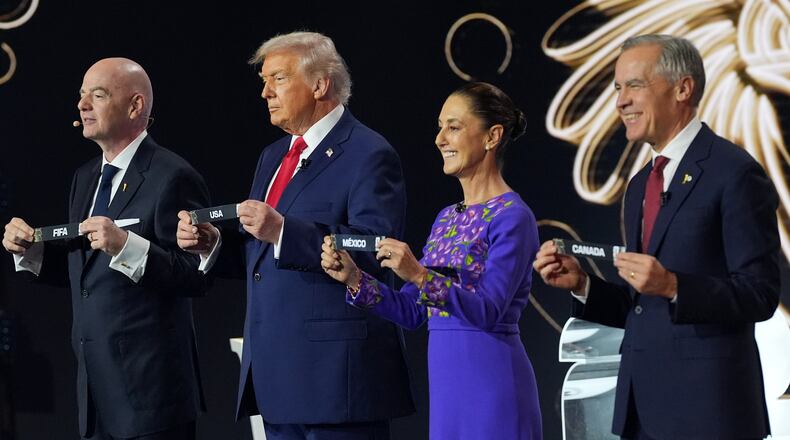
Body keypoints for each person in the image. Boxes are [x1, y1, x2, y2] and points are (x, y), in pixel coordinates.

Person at [533, 34, 779, 440]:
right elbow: (642, 308)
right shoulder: (639, 186)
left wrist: (674, 286)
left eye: (635, 85)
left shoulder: (734, 173)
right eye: (617, 88)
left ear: (683, 88)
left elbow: (761, 293)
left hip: (709, 416)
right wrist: (583, 285)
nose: (620, 101)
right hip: (643, 414)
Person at [176, 31, 413, 440]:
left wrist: (283, 230)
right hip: (277, 378)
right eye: (264, 81)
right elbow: (263, 255)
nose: (265, 92)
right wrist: (213, 244)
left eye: (279, 79)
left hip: (337, 383)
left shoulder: (369, 153)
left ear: (320, 85)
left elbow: (375, 249)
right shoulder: (273, 156)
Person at [2, 58, 209, 440]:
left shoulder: (173, 175)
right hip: (95, 395)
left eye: (97, 95)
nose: (82, 105)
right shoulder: (85, 178)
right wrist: (28, 251)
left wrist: (127, 246)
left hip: (152, 397)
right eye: (82, 95)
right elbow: (87, 274)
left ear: (135, 106)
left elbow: (196, 275)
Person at [321, 82, 541, 440]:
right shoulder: (446, 218)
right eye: (440, 127)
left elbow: (488, 311)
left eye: (454, 127)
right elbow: (412, 312)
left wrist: (419, 274)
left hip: (493, 385)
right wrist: (354, 279)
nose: (440, 139)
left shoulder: (513, 217)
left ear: (492, 136)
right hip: (447, 390)